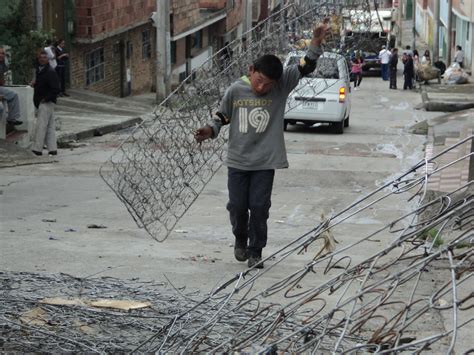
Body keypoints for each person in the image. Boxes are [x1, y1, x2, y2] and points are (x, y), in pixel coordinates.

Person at [194, 23, 328, 269]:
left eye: (268, 84)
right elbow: (222, 117)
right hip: (238, 160)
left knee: (258, 207)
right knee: (237, 206)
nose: (262, 87)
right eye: (260, 81)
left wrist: (315, 44)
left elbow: (305, 66)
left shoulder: (281, 84)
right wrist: (209, 131)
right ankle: (240, 239)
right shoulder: (236, 89)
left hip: (265, 161)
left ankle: (256, 251)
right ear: (251, 70)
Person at [31, 50, 60, 156]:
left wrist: (46, 99)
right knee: (50, 126)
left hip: (46, 102)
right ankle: (52, 149)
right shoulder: (40, 70)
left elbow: (56, 89)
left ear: (47, 59)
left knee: (41, 125)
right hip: (44, 101)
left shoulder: (50, 71)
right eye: (40, 57)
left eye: (44, 57)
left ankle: (37, 149)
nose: (42, 59)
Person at [0, 47, 22, 125]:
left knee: (13, 95)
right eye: (0, 53)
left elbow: (2, 80)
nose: (2, 55)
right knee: (1, 107)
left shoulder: (2, 65)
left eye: (3, 54)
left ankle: (12, 118)